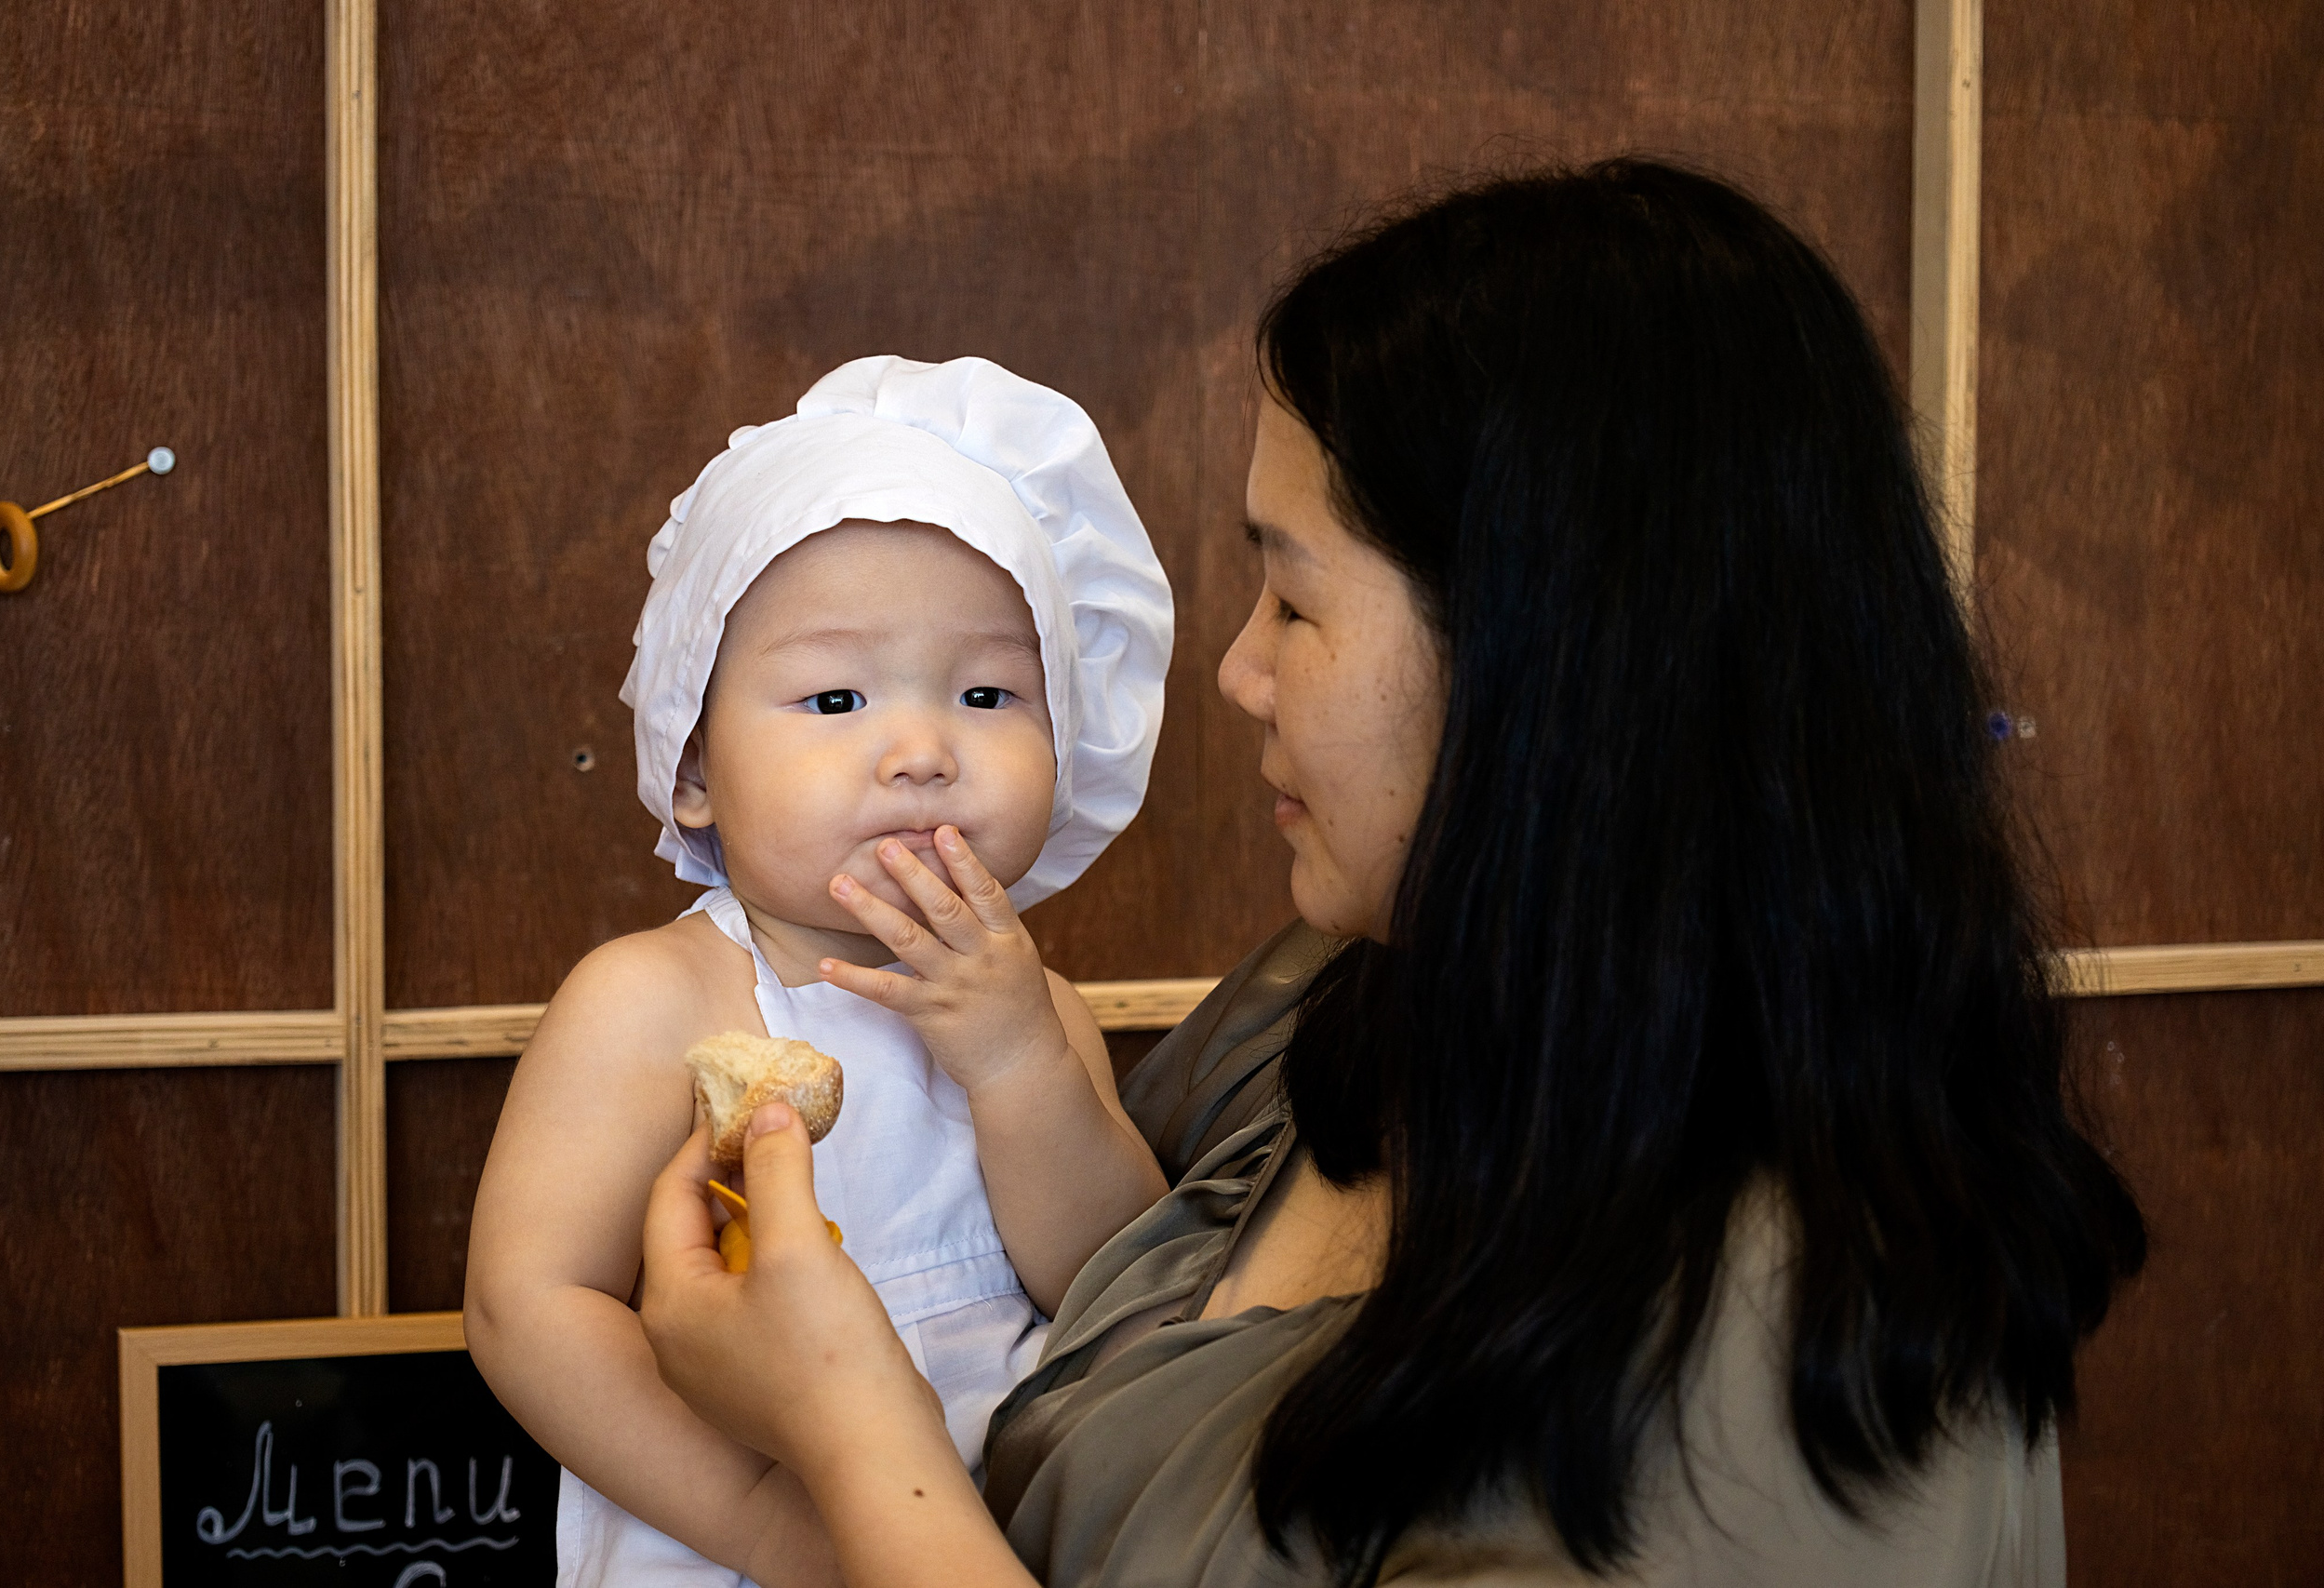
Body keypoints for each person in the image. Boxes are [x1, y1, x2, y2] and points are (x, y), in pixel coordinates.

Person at [634, 161, 2152, 1587]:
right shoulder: (1341, 1003)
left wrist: (847, 1433)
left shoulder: (1771, 1343)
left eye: (1294, 601)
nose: (1234, 671)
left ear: (1548, 662)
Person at [464, 354, 1176, 1587]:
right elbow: (529, 1306)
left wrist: (1014, 1059)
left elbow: (1114, 1283)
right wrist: (761, 1522)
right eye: (837, 695)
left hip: (999, 1536)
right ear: (693, 767)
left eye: (988, 690)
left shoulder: (1038, 1005)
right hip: (729, 1532)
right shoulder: (652, 1000)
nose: (919, 749)